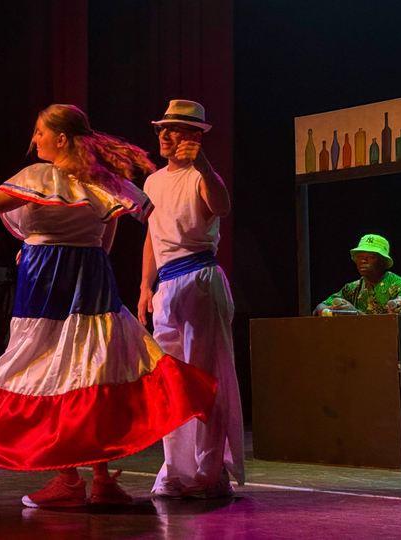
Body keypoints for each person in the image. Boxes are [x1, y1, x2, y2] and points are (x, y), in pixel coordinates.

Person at [0, 104, 217, 508]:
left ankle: (69, 480)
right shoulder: (103, 182)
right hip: (90, 281)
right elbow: (107, 232)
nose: (35, 140)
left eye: (40, 132)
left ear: (61, 139)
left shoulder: (39, 177)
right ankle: (100, 480)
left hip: (48, 286)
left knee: (51, 372)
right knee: (95, 371)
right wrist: (72, 252)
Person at [138, 99, 245, 499]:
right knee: (172, 383)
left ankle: (210, 472)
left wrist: (202, 164)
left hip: (199, 279)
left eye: (174, 129)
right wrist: (145, 286)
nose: (164, 134)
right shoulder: (153, 182)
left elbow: (222, 207)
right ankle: (177, 471)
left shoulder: (202, 176)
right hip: (167, 286)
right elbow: (152, 234)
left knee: (205, 380)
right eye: (162, 128)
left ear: (194, 136)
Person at [313, 234, 401, 316]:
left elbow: (396, 327)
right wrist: (335, 309)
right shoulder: (352, 288)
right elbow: (318, 309)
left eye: (371, 257)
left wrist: (354, 313)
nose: (363, 261)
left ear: (383, 261)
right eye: (360, 256)